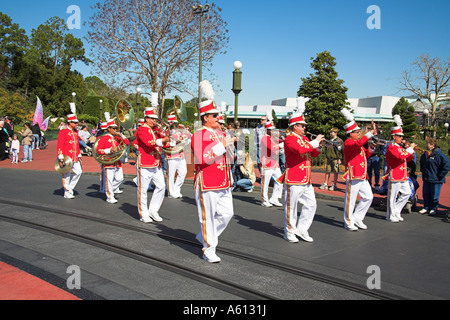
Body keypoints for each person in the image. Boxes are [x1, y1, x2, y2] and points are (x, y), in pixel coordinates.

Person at [191, 82, 234, 263]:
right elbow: (202, 158)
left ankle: (205, 236)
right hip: (207, 181)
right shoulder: (198, 134)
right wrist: (222, 146)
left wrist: (231, 147)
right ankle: (208, 249)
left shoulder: (219, 133)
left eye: (218, 115)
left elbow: (226, 158)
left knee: (227, 214)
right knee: (207, 217)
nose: (218, 118)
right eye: (215, 115)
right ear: (205, 117)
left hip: (223, 181)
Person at [278, 112, 324, 243]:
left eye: (304, 126)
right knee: (291, 207)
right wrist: (315, 141)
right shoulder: (289, 139)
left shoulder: (304, 139)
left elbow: (312, 153)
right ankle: (289, 231)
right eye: (302, 126)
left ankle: (302, 229)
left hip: (306, 179)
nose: (305, 128)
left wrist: (319, 146)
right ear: (294, 127)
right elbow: (300, 150)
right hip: (294, 178)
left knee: (311, 205)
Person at [340, 108, 375, 231]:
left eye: (359, 132)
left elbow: (366, 154)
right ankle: (348, 221)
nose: (359, 133)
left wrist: (371, 148)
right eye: (357, 132)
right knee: (351, 199)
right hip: (353, 174)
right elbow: (358, 144)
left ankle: (358, 217)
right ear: (350, 133)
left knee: (369, 197)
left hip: (362, 175)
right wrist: (369, 134)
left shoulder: (357, 143)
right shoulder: (349, 142)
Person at [135, 106, 170, 223]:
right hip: (145, 163)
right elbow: (149, 143)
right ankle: (143, 213)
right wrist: (163, 140)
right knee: (143, 189)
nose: (155, 121)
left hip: (156, 163)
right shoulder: (141, 129)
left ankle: (153, 210)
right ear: (147, 119)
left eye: (155, 119)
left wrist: (164, 134)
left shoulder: (155, 130)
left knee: (161, 186)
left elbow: (164, 143)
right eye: (153, 119)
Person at [384, 116, 416, 222]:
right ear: (394, 136)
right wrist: (409, 149)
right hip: (395, 174)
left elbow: (408, 158)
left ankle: (396, 211)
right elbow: (400, 157)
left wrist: (411, 151)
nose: (402, 138)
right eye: (400, 136)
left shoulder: (400, 147)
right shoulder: (391, 146)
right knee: (392, 197)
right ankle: (390, 215)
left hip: (403, 175)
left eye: (402, 137)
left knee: (407, 193)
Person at [96, 118, 130, 204]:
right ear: (109, 129)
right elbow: (99, 150)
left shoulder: (117, 138)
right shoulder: (103, 138)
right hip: (108, 161)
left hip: (117, 162)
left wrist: (121, 135)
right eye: (113, 128)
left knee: (120, 179)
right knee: (109, 180)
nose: (115, 130)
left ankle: (110, 190)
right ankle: (110, 196)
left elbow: (127, 142)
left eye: (116, 128)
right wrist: (109, 150)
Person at [419, 137, 450, 215]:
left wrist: (441, 174)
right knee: (426, 194)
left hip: (436, 179)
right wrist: (422, 170)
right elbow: (422, 163)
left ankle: (433, 208)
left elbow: (447, 165)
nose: (426, 145)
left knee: (434, 195)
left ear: (433, 145)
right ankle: (426, 207)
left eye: (428, 144)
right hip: (427, 178)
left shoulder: (439, 154)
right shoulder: (425, 154)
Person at [57, 114, 82, 199]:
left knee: (79, 172)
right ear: (70, 122)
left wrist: (79, 154)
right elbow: (60, 144)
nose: (76, 124)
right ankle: (67, 192)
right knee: (66, 174)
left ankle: (69, 188)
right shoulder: (63, 131)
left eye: (77, 122)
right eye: (75, 122)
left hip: (75, 156)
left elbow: (77, 144)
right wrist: (60, 157)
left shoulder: (76, 131)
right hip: (66, 156)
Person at [260, 121, 283, 207]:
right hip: (267, 163)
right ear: (267, 130)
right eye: (271, 130)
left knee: (280, 180)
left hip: (275, 163)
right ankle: (264, 200)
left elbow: (281, 141)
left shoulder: (273, 137)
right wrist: (282, 144)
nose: (273, 131)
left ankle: (274, 198)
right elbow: (272, 148)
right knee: (265, 184)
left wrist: (283, 138)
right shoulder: (264, 138)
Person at [165, 121, 188, 199]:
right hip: (172, 155)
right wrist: (175, 142)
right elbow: (165, 144)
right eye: (172, 122)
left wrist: (184, 128)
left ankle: (176, 189)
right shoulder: (166, 132)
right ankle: (170, 192)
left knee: (183, 173)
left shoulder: (180, 131)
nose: (175, 125)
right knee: (171, 175)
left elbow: (188, 137)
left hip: (181, 155)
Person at [367, 127, 385, 192]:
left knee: (377, 172)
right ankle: (369, 184)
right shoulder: (368, 137)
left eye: (372, 129)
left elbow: (383, 147)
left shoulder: (380, 137)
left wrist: (379, 154)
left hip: (376, 156)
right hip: (369, 156)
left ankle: (377, 185)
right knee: (369, 171)